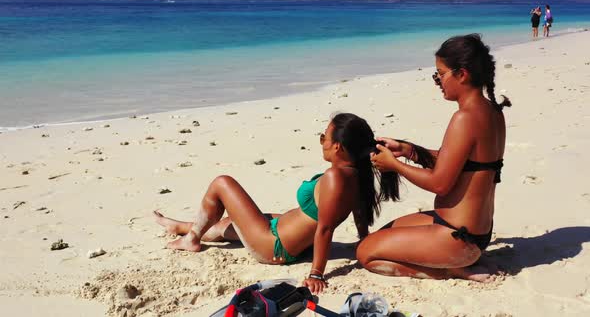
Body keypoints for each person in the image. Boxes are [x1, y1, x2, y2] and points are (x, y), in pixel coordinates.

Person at [154, 113, 400, 294]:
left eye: (324, 136)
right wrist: (362, 237)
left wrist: (316, 274)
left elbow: (325, 228)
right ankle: (184, 227)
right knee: (231, 222)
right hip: (287, 236)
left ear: (337, 146)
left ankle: (192, 238)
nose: (322, 140)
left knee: (222, 183)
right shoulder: (356, 173)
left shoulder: (335, 177)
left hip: (275, 246)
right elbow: (357, 209)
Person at [356, 34, 512, 282]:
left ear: (461, 74)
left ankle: (450, 269)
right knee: (386, 233)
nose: (437, 81)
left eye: (440, 74)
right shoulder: (491, 111)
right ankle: (460, 260)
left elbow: (440, 183)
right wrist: (409, 150)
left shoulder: (464, 118)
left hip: (457, 238)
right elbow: (461, 161)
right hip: (472, 232)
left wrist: (394, 165)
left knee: (366, 253)